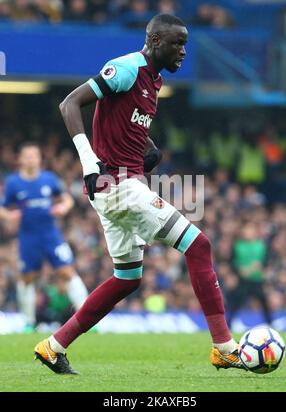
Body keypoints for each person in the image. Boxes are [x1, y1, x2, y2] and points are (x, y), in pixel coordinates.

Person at [34, 13, 246, 374]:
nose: (183, 51)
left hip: (120, 185)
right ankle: (224, 347)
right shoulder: (128, 67)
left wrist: (147, 148)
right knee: (200, 246)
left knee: (126, 279)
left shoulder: (155, 80)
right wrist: (88, 163)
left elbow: (120, 119)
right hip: (116, 186)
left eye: (186, 44)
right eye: (178, 43)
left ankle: (53, 346)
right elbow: (69, 103)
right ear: (156, 41)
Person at [0, 142, 88, 331]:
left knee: (67, 272)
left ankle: (87, 319)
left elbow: (67, 199)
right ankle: (29, 322)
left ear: (40, 159)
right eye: (28, 156)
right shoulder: (14, 183)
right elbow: (2, 208)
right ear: (21, 160)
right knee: (27, 278)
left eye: (35, 156)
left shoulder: (48, 179)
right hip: (28, 237)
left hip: (50, 235)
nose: (31, 159)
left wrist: (64, 206)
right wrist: (9, 215)